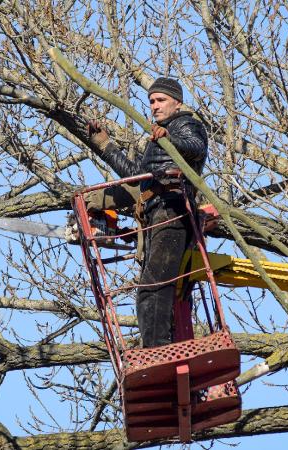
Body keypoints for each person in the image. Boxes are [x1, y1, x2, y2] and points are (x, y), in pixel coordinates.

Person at [85, 77, 208, 348]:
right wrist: (104, 145)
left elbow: (196, 146)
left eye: (161, 100)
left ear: (177, 102)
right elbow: (137, 177)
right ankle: (155, 347)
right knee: (147, 289)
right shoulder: (157, 136)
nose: (154, 106)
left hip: (173, 210)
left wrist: (171, 139)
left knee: (155, 285)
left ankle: (158, 349)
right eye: (151, 101)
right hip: (155, 214)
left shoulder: (186, 124)